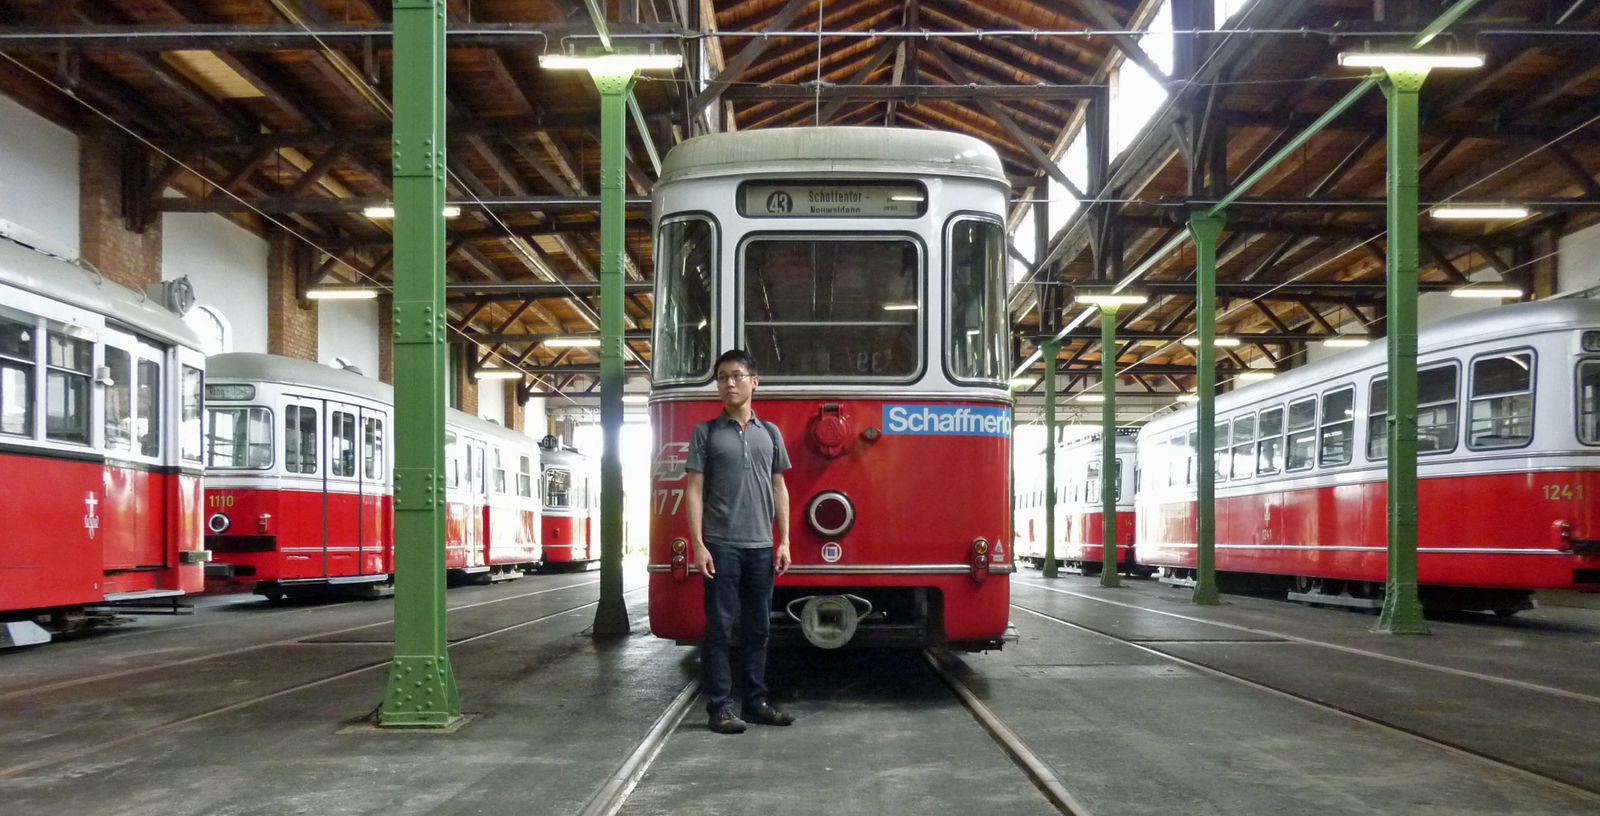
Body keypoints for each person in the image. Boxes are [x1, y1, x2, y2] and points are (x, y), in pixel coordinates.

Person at [684, 349, 795, 735]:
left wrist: (784, 542)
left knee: (758, 629)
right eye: (722, 377)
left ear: (754, 381)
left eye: (736, 375)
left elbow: (779, 487)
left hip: (761, 547)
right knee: (719, 629)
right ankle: (720, 707)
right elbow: (694, 490)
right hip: (721, 545)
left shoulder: (771, 433)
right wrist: (698, 544)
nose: (729, 383)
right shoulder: (706, 432)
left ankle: (757, 702)